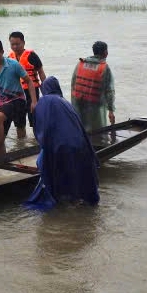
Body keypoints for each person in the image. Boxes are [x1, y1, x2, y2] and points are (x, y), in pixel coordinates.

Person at [24, 77, 100, 209]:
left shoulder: (42, 102)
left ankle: (60, 198)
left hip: (58, 147)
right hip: (81, 146)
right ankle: (79, 199)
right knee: (77, 173)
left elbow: (40, 130)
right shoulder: (65, 103)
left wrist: (45, 147)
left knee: (43, 163)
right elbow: (80, 128)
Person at [70, 40, 116, 135]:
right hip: (95, 108)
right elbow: (110, 91)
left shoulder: (80, 64)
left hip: (78, 105)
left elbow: (73, 84)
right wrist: (111, 111)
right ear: (105, 53)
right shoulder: (104, 68)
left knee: (81, 132)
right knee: (97, 135)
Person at [7, 31, 46, 139]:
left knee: (34, 119)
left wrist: (46, 91)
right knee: (19, 122)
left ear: (23, 43)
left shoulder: (31, 56)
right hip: (16, 94)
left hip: (31, 92)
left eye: (17, 44)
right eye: (12, 44)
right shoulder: (9, 58)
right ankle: (21, 145)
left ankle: (37, 143)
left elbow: (41, 72)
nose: (15, 47)